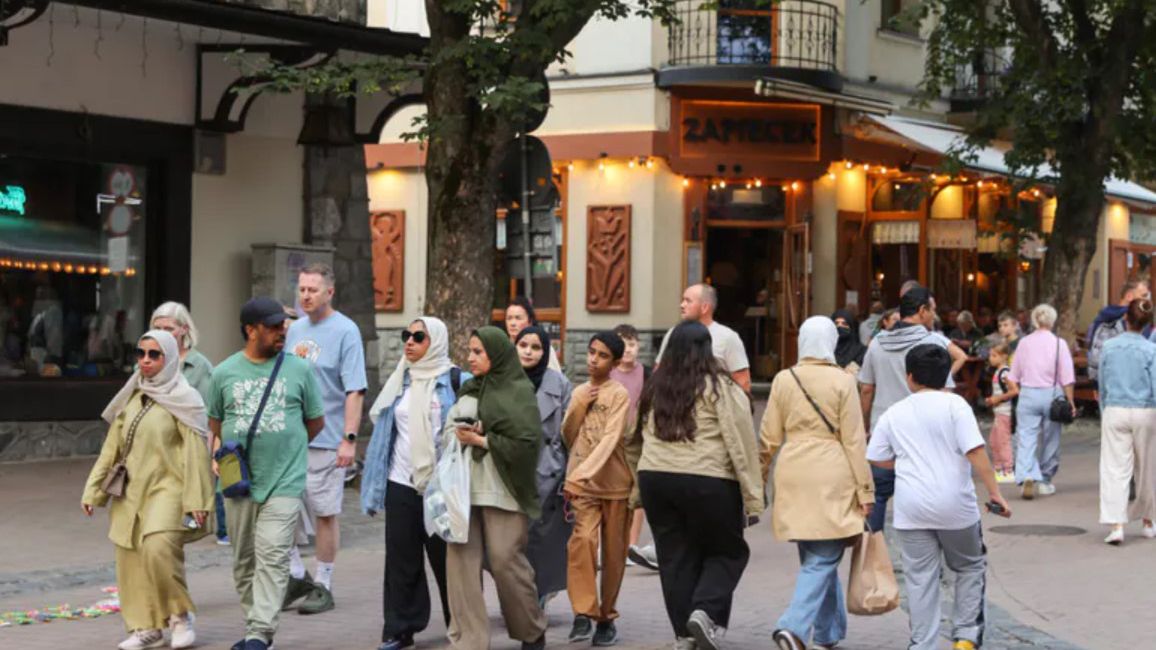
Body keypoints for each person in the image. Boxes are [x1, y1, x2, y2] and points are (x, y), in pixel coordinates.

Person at [627, 321, 763, 650]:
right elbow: (741, 440)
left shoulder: (654, 387)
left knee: (674, 558)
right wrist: (753, 496)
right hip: (708, 479)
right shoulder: (720, 387)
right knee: (728, 551)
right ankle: (705, 611)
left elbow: (631, 440)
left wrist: (638, 482)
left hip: (656, 480)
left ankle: (684, 636)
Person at [867, 344, 1011, 650]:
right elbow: (975, 451)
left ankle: (923, 644)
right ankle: (965, 638)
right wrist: (995, 492)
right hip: (956, 505)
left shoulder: (894, 413)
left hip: (911, 508)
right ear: (946, 374)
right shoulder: (956, 406)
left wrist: (905, 464)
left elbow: (877, 457)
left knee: (920, 578)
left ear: (909, 377)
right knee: (969, 566)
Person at [82, 330, 214, 650]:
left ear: (169, 359)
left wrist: (197, 499)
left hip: (169, 487)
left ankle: (180, 617)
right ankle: (147, 628)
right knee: (130, 559)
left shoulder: (185, 400)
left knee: (158, 549)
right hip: (131, 491)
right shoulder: (132, 395)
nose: (145, 360)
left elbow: (196, 452)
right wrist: (93, 491)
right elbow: (111, 449)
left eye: (154, 354)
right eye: (141, 353)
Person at [207, 296, 325, 650]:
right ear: (251, 330)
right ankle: (255, 628)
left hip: (284, 481)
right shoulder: (223, 373)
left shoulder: (300, 370)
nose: (281, 331)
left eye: (283, 325)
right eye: (273, 326)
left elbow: (315, 422)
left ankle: (260, 634)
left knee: (272, 555)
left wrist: (287, 448)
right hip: (237, 481)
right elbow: (216, 425)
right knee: (244, 560)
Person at [760, 317, 873, 650]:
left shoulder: (783, 379)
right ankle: (793, 627)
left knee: (815, 555)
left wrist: (758, 478)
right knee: (824, 558)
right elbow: (854, 440)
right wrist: (865, 490)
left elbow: (768, 437)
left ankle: (828, 633)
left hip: (792, 470)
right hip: (831, 472)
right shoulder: (843, 380)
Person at [361, 318, 465, 650]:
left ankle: (461, 625)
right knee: (401, 560)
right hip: (400, 481)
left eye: (419, 337)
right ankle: (399, 629)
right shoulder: (400, 380)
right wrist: (374, 488)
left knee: (450, 560)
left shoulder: (457, 381)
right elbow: (384, 434)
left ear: (436, 341)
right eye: (407, 335)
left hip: (441, 486)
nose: (409, 341)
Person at [445, 326, 548, 650]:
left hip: (503, 489)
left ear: (497, 354)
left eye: (478, 352)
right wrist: (459, 434)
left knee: (506, 562)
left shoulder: (518, 391)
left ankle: (531, 630)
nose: (470, 358)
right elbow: (447, 432)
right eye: (470, 351)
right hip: (464, 491)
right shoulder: (468, 390)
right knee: (461, 567)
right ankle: (469, 640)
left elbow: (528, 443)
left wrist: (483, 440)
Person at [283, 263, 368, 614]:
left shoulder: (346, 331)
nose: (305, 296)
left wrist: (349, 438)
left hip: (327, 438)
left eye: (312, 290)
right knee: (281, 509)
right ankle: (296, 576)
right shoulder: (294, 330)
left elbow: (355, 389)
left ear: (329, 292)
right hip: (291, 439)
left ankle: (323, 584)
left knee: (325, 513)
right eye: (302, 289)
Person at [859, 287, 958, 532]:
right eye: (932, 310)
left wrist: (865, 426)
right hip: (924, 434)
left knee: (878, 495)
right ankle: (921, 547)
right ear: (922, 311)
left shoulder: (877, 343)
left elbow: (866, 389)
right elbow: (945, 392)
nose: (934, 315)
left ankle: (873, 547)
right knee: (924, 494)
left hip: (884, 430)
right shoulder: (933, 342)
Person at [562, 332, 632, 646]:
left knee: (614, 555)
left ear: (614, 363)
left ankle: (606, 617)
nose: (594, 359)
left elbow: (611, 439)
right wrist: (579, 405)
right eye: (592, 352)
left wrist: (581, 474)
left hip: (615, 485)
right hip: (583, 488)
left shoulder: (619, 394)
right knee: (582, 543)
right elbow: (567, 435)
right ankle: (582, 612)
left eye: (602, 355)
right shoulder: (579, 392)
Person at [151, 301, 227, 545]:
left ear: (184, 329)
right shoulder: (148, 359)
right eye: (157, 328)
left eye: (169, 328)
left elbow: (209, 413)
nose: (163, 333)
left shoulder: (199, 365)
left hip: (187, 443)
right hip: (154, 443)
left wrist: (212, 452)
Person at [514, 325, 573, 608]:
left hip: (549, 473)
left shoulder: (560, 384)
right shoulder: (503, 379)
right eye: (523, 345)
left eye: (536, 347)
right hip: (510, 470)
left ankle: (537, 596)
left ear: (546, 352)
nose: (528, 351)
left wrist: (568, 472)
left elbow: (571, 432)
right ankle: (517, 596)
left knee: (541, 541)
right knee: (510, 542)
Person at [1097, 298, 1156, 545]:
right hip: (1145, 410)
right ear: (1148, 324)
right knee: (1147, 467)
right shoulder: (1151, 350)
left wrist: (1104, 409)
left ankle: (1116, 525)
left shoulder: (1109, 347)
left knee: (1114, 468)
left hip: (1115, 408)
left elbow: (1102, 382)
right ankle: (1148, 521)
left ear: (1125, 319)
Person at [1005, 304, 1076, 500]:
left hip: (1028, 394)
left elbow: (1013, 375)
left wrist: (1020, 391)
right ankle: (1045, 480)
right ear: (1052, 321)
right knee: (1051, 438)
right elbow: (1067, 377)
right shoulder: (1059, 344)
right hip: (1052, 395)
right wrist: (1071, 401)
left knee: (1026, 437)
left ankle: (1027, 474)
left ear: (1034, 320)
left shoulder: (1024, 343)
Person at [610, 325, 658, 572]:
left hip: (639, 441)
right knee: (614, 491)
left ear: (639, 346)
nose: (628, 350)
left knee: (637, 492)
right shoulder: (608, 374)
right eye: (623, 344)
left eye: (632, 344)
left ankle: (631, 544)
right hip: (613, 440)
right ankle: (611, 544)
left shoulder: (647, 375)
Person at [656, 284, 751, 393]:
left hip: (714, 401)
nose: (682, 305)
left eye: (688, 301)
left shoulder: (727, 337)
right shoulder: (673, 333)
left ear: (704, 307)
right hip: (676, 399)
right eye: (683, 300)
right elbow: (659, 371)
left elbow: (743, 381)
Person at [1087, 280, 1150, 382]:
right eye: (1143, 296)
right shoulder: (1123, 321)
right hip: (1133, 382)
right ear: (1129, 296)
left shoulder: (1101, 319)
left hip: (1109, 383)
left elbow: (1093, 353)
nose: (1147, 300)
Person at [984, 343, 1017, 483]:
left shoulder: (1005, 372)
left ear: (1004, 356)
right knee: (994, 441)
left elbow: (1014, 390)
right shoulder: (998, 372)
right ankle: (998, 468)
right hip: (998, 412)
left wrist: (997, 399)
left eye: (994, 355)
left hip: (1005, 412)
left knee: (1003, 441)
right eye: (990, 355)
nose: (991, 358)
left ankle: (1008, 470)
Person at [505, 296, 562, 371]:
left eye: (518, 318)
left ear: (530, 321)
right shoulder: (503, 347)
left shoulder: (543, 347)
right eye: (509, 318)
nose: (512, 323)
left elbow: (555, 376)